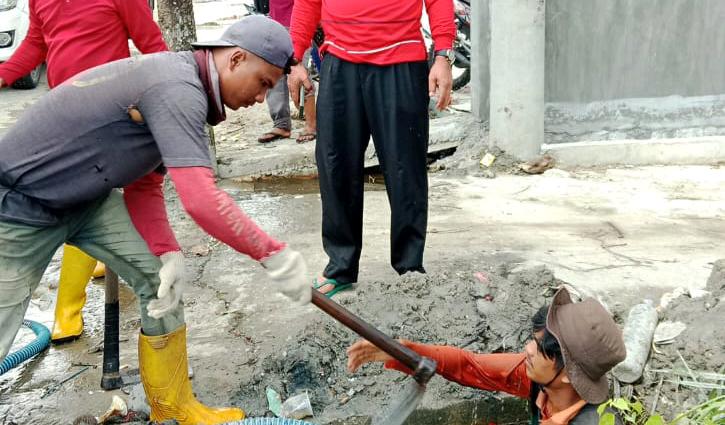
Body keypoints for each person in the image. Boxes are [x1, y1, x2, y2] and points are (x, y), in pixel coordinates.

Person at [0, 16, 310, 425]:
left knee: (159, 283)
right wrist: (272, 254)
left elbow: (146, 182)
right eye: (265, 83)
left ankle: (174, 407)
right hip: (21, 206)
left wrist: (166, 252)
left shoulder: (187, 87)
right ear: (235, 59)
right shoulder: (177, 87)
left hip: (88, 200)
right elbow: (200, 199)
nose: (262, 98)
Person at [0, 0, 169, 343]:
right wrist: (3, 74)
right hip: (63, 120)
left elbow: (153, 45)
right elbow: (37, 42)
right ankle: (70, 309)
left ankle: (76, 311)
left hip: (113, 118)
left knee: (124, 205)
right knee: (73, 205)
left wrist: (167, 99)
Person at [287, 0, 456, 296]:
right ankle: (340, 266)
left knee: (406, 168)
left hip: (401, 62)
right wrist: (294, 57)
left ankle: (410, 267)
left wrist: (443, 55)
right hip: (339, 63)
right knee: (335, 164)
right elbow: (307, 2)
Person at [347, 288, 627, 424]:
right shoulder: (540, 379)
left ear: (568, 374)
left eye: (539, 349)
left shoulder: (593, 422)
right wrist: (404, 351)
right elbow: (469, 366)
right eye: (533, 340)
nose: (527, 350)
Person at [257, 0, 317, 144]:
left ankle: (311, 124)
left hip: (301, 23)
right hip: (275, 20)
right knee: (273, 73)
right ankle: (281, 124)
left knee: (301, 75)